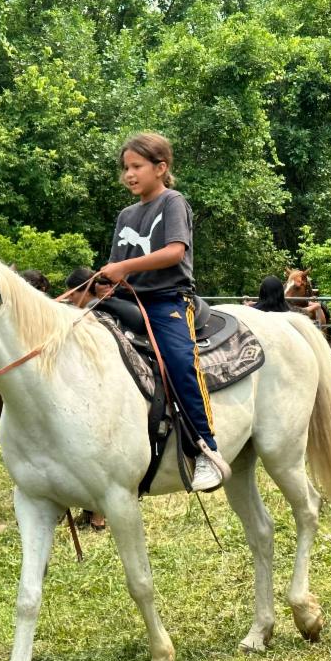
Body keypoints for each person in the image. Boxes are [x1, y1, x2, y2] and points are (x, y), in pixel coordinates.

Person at [97, 132, 231, 492]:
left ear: (161, 167)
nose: (129, 174)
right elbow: (116, 263)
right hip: (126, 301)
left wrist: (124, 270)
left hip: (166, 301)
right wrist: (103, 282)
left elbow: (174, 251)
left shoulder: (173, 202)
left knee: (179, 361)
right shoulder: (126, 214)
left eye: (137, 166)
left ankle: (206, 450)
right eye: (125, 167)